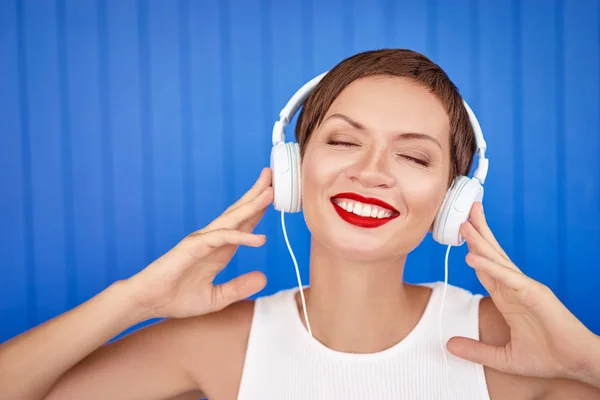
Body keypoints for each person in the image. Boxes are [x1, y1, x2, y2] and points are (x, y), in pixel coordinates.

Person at [0, 49, 599, 400]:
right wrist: (132, 300)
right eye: (343, 141)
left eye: (414, 156)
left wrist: (584, 358)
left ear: (453, 198)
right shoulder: (221, 342)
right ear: (293, 168)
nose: (372, 172)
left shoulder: (510, 344)